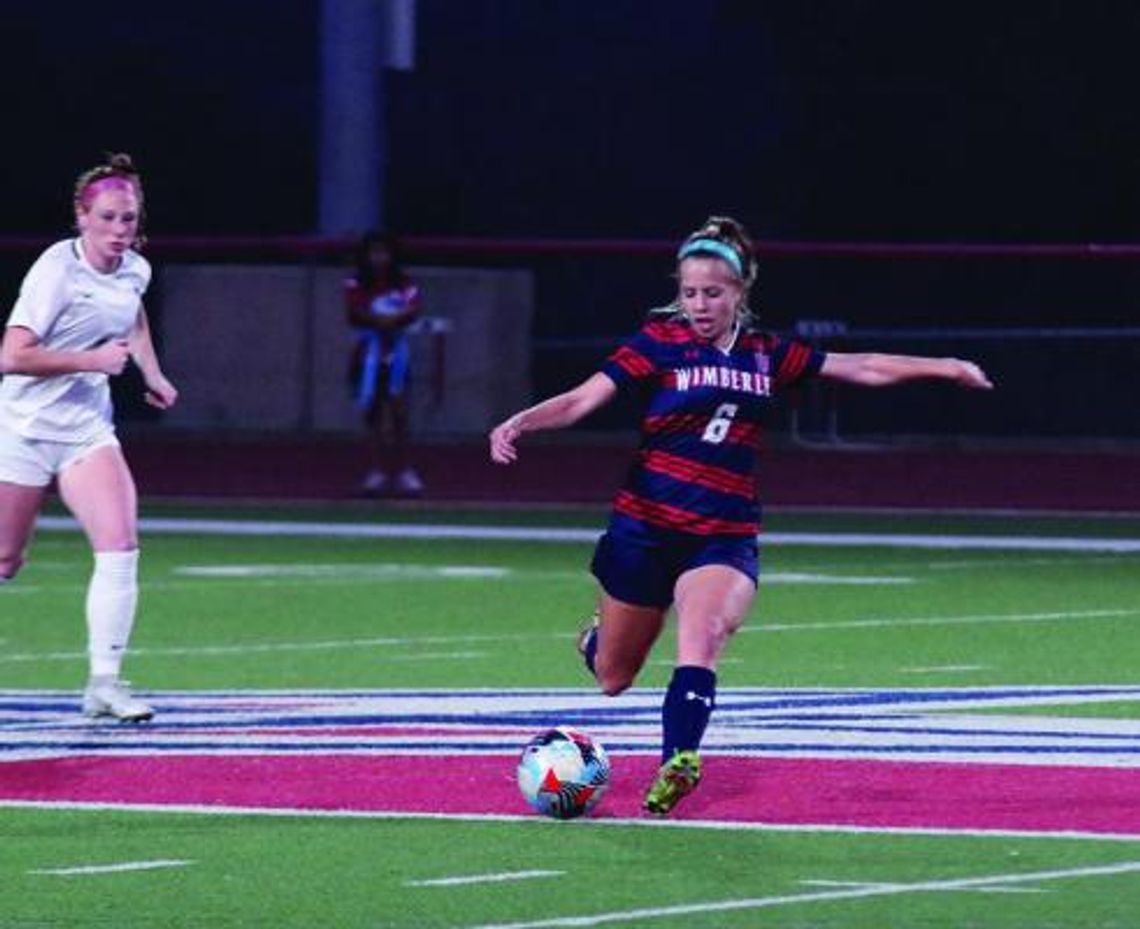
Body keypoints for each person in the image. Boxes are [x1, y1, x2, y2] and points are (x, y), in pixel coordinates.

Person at [489, 215, 993, 815]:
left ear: (740, 292)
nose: (699, 305)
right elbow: (581, 399)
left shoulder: (766, 353)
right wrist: (522, 420)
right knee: (612, 677)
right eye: (689, 293)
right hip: (644, 528)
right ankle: (598, 640)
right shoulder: (656, 343)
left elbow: (860, 366)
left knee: (703, 638)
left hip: (722, 534)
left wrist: (945, 367)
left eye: (713, 293)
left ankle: (677, 759)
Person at [0, 152, 178, 722]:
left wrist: (152, 373)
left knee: (120, 548)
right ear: (81, 216)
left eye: (128, 219)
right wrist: (91, 359)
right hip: (23, 429)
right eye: (107, 218)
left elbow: (132, 318)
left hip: (86, 432)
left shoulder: (135, 270)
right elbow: (12, 356)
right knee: (6, 559)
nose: (119, 230)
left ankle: (104, 683)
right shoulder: (57, 270)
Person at [345, 230, 425, 497]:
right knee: (374, 413)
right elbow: (355, 312)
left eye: (384, 252)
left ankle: (404, 470)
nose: (379, 258)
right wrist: (382, 321)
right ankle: (376, 471)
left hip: (396, 353)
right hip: (367, 354)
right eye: (374, 252)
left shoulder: (403, 283)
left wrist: (394, 320)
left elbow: (413, 308)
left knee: (400, 412)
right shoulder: (356, 283)